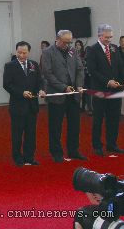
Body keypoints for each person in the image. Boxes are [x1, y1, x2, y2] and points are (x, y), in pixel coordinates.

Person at [41, 30, 86, 163]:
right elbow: (47, 73)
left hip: (73, 94)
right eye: (65, 42)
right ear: (57, 39)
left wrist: (79, 85)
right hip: (57, 94)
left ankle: (73, 150)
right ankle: (56, 153)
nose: (68, 45)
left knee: (74, 125)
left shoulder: (73, 51)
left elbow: (80, 69)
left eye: (69, 42)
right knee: (55, 126)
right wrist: (63, 87)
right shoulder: (47, 52)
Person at [85, 24, 124, 156]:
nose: (109, 39)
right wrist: (107, 82)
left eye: (111, 37)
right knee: (98, 119)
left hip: (116, 90)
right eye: (106, 37)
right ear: (99, 36)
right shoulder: (92, 49)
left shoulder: (114, 48)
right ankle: (97, 146)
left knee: (114, 118)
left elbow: (120, 66)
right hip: (100, 90)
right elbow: (92, 70)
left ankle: (112, 144)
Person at [2, 41, 45, 166]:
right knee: (17, 133)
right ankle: (17, 157)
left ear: (29, 52)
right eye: (19, 52)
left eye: (24, 53)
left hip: (32, 105)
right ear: (16, 51)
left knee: (31, 133)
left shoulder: (34, 64)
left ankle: (29, 157)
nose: (21, 55)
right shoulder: (10, 66)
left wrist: (41, 90)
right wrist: (21, 93)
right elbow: (7, 84)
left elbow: (39, 81)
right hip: (17, 105)